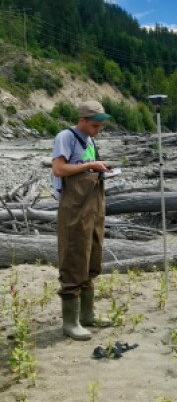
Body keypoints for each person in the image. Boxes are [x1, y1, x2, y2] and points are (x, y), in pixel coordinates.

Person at [52, 100, 112, 340]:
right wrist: (90, 165)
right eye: (96, 125)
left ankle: (87, 315)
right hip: (74, 208)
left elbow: (85, 169)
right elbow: (59, 169)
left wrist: (101, 168)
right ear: (83, 120)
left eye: (101, 126)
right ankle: (70, 323)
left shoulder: (90, 140)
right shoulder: (65, 137)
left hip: (93, 206)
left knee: (91, 256)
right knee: (75, 256)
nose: (99, 129)